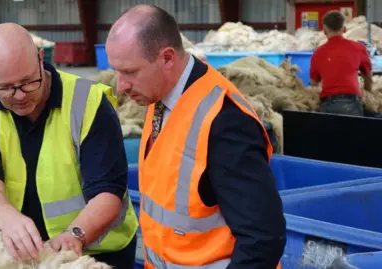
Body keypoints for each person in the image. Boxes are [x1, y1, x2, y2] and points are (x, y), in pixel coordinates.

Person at [106, 4, 286, 269]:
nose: (121, 86)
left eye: (130, 72)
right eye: (117, 72)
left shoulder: (224, 121)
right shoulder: (159, 97)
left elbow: (263, 238)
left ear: (167, 58)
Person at [0, 23, 139, 268]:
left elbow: (108, 192)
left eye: (27, 81)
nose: (20, 95)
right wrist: (6, 217)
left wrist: (76, 234)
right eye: (6, 88)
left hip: (100, 251)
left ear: (41, 59)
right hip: (25, 256)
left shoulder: (88, 103)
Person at [310, 10, 373, 116]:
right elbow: (367, 75)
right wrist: (368, 90)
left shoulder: (317, 53)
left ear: (324, 29)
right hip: (352, 103)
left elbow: (313, 84)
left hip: (328, 105)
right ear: (344, 29)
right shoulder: (358, 48)